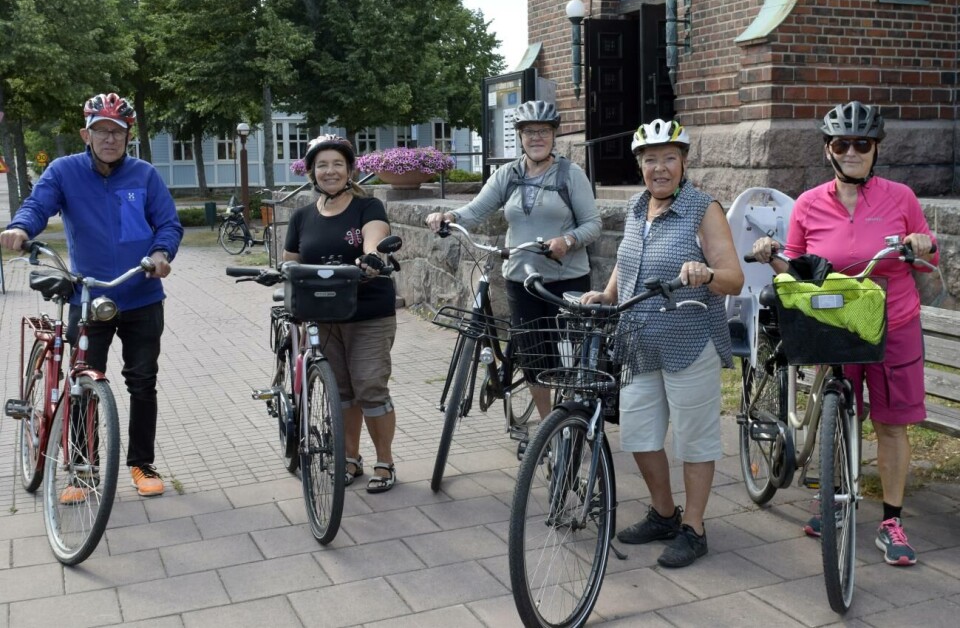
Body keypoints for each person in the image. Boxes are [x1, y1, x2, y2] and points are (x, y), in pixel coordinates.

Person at [751, 101, 938, 566]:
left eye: (862, 144)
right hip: (834, 322)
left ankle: (891, 520)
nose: (852, 152)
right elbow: (797, 265)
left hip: (892, 322)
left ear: (875, 150)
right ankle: (832, 498)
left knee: (891, 425)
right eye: (841, 144)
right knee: (835, 408)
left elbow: (927, 245)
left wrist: (919, 243)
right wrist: (769, 252)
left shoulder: (901, 197)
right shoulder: (810, 203)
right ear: (828, 150)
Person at [0, 92, 184, 498]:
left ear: (127, 136)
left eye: (117, 132)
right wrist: (21, 227)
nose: (109, 139)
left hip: (141, 295)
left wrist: (160, 254)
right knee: (83, 383)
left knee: (142, 381)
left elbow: (168, 224)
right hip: (89, 297)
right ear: (86, 133)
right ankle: (82, 469)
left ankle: (141, 464)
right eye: (100, 130)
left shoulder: (145, 175)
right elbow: (37, 204)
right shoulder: (64, 172)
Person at [581, 118, 744, 568]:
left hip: (690, 341)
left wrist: (706, 273)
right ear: (640, 165)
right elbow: (626, 259)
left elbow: (734, 278)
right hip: (638, 341)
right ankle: (664, 513)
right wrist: (608, 293)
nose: (660, 168)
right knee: (639, 435)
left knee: (694, 440)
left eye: (669, 158)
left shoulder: (702, 208)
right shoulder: (636, 208)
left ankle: (694, 527)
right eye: (650, 159)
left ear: (684, 162)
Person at [425, 100, 602, 419]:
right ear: (520, 136)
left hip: (566, 279)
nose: (536, 137)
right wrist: (448, 216)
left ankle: (570, 419)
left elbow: (593, 223)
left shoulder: (570, 174)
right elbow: (478, 209)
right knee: (534, 356)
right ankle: (549, 426)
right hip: (521, 279)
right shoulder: (509, 174)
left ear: (553, 136)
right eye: (529, 131)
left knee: (566, 357)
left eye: (544, 131)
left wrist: (568, 240)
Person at [283, 134, 399, 493]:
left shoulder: (367, 207)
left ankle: (385, 461)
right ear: (312, 173)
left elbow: (374, 236)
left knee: (369, 386)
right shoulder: (301, 217)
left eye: (337, 164)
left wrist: (372, 256)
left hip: (368, 312)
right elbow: (290, 265)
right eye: (322, 165)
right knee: (343, 390)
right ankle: (351, 458)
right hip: (323, 316)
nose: (329, 171)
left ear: (349, 170)